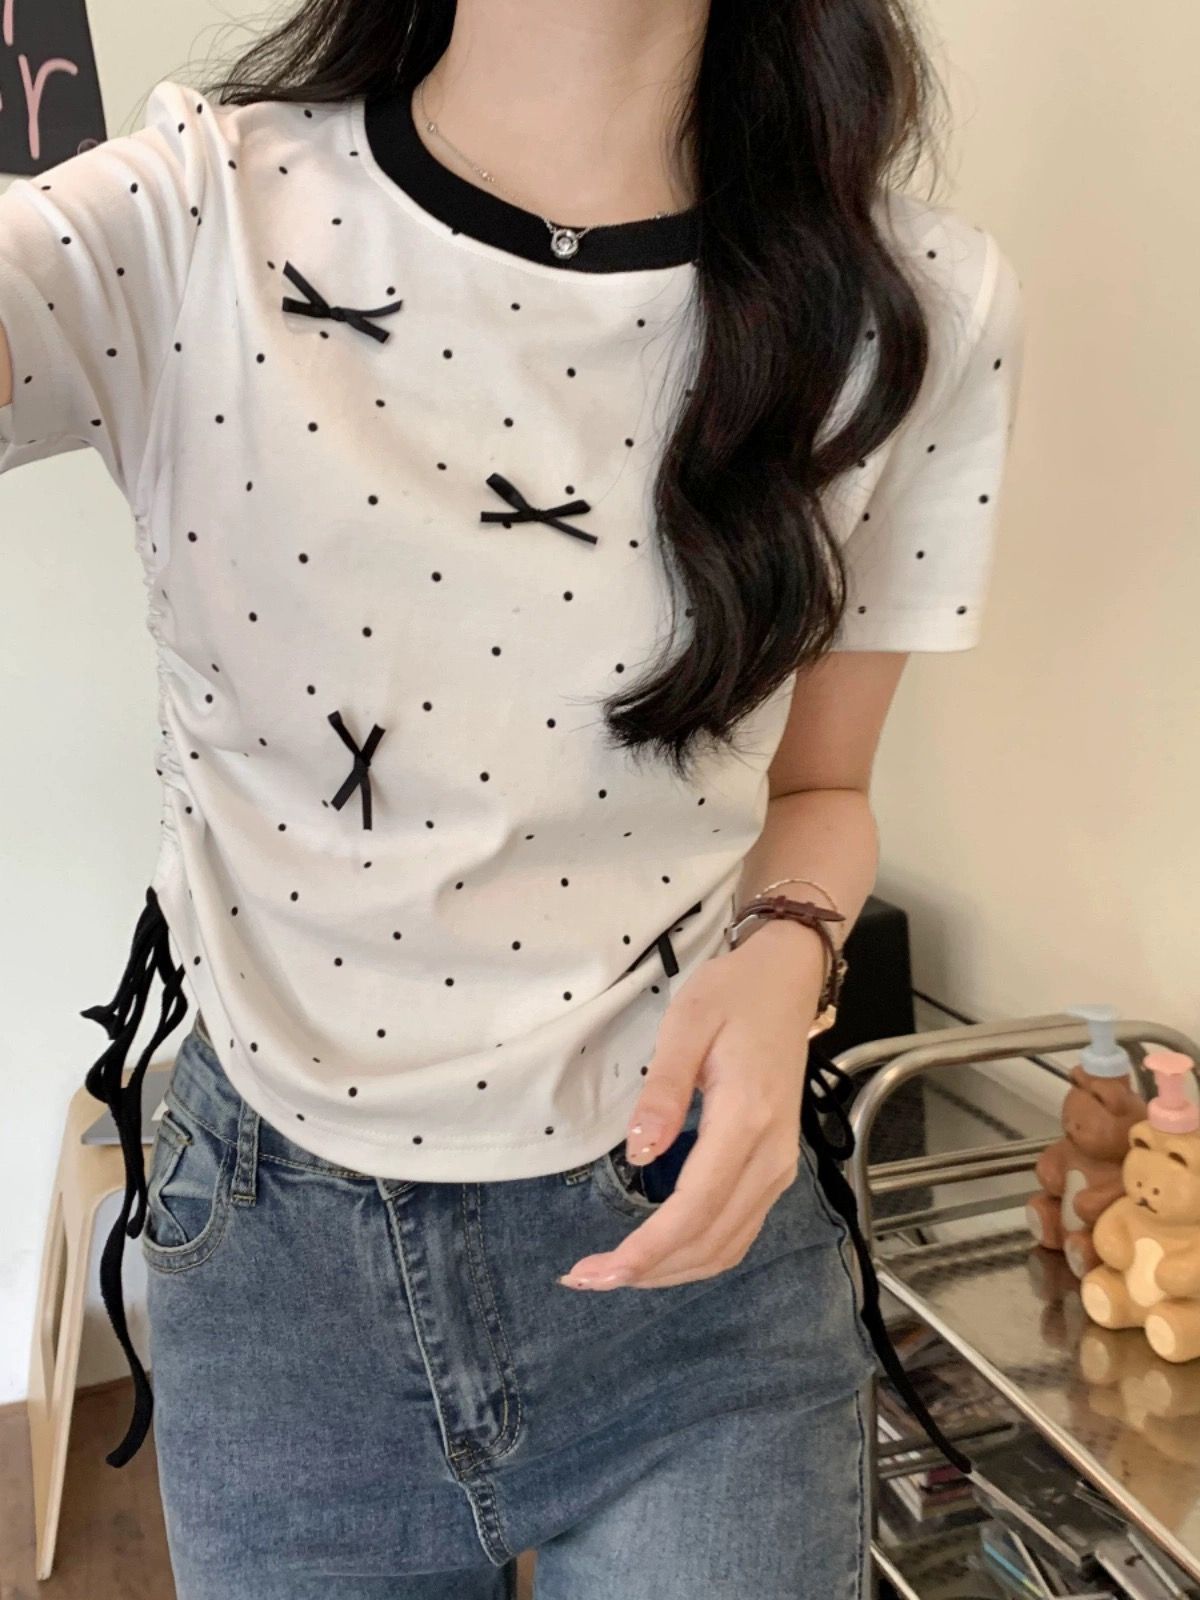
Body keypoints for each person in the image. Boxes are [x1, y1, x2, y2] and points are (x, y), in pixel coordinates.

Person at [0, 0, 1024, 1594]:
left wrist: (790, 946)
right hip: (279, 1290)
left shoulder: (913, 307)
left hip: (701, 1260)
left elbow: (823, 788)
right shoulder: (187, 219)